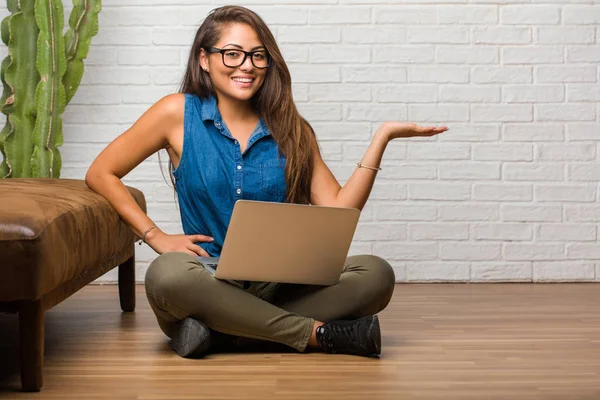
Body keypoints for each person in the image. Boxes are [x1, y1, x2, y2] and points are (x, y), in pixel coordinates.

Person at [86, 5, 447, 359]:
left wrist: (380, 139)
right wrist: (155, 236)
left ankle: (222, 331)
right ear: (204, 59)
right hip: (206, 279)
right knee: (166, 275)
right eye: (232, 54)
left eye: (258, 56)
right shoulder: (176, 113)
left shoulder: (292, 128)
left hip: (281, 285)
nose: (247, 65)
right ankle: (316, 334)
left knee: (375, 274)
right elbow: (101, 172)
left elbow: (340, 211)